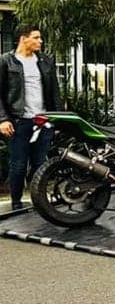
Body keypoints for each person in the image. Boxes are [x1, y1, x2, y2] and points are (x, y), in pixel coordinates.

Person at [0, 26, 60, 210]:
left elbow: (55, 92)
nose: (40, 41)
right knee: (18, 164)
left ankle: (39, 202)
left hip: (43, 121)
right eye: (36, 37)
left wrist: (57, 118)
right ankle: (17, 203)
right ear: (23, 39)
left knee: (40, 163)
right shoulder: (6, 61)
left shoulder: (45, 61)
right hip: (19, 121)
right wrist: (3, 119)